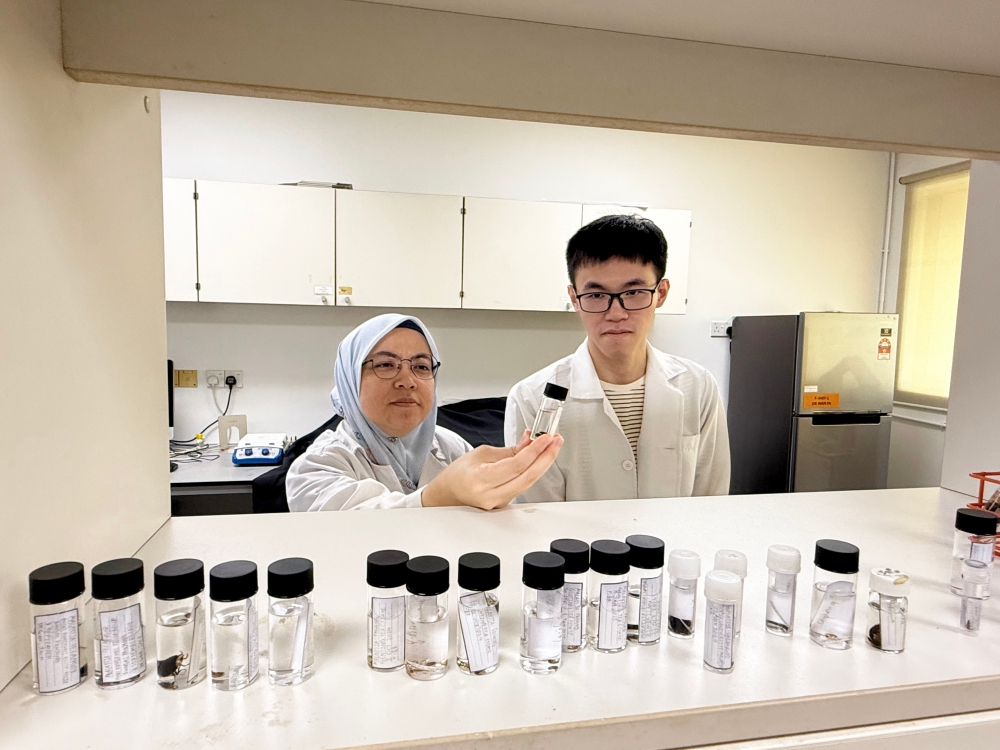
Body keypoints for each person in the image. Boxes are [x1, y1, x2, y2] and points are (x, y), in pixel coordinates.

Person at [505, 214, 730, 503]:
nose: (616, 313)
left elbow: (711, 500)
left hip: (675, 547)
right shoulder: (531, 399)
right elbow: (535, 515)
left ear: (661, 293)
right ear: (575, 299)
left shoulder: (698, 387)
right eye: (596, 295)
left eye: (634, 292)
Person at [287, 313, 561, 511]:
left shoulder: (451, 447)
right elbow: (358, 535)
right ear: (350, 379)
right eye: (385, 365)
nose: (407, 380)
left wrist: (505, 490)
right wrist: (440, 495)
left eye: (420, 366)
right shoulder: (316, 468)